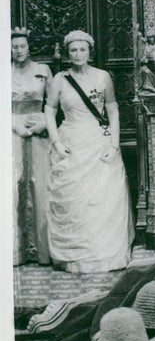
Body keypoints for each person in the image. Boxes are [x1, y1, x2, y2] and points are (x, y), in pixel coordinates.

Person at [43, 30, 134, 273]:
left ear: (89, 52)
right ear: (67, 53)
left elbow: (112, 109)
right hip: (71, 141)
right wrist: (56, 142)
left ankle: (104, 254)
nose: (78, 54)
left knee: (102, 198)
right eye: (73, 50)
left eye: (82, 49)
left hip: (99, 141)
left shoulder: (103, 76)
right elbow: (49, 110)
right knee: (75, 200)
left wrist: (114, 144)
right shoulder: (60, 80)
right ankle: (75, 257)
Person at [11, 27, 52, 265]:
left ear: (29, 47)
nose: (18, 50)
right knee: (14, 183)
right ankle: (17, 251)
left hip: (38, 131)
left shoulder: (42, 70)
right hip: (11, 130)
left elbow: (53, 105)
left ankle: (41, 250)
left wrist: (43, 123)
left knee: (40, 184)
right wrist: (14, 124)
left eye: (22, 46)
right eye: (14, 47)